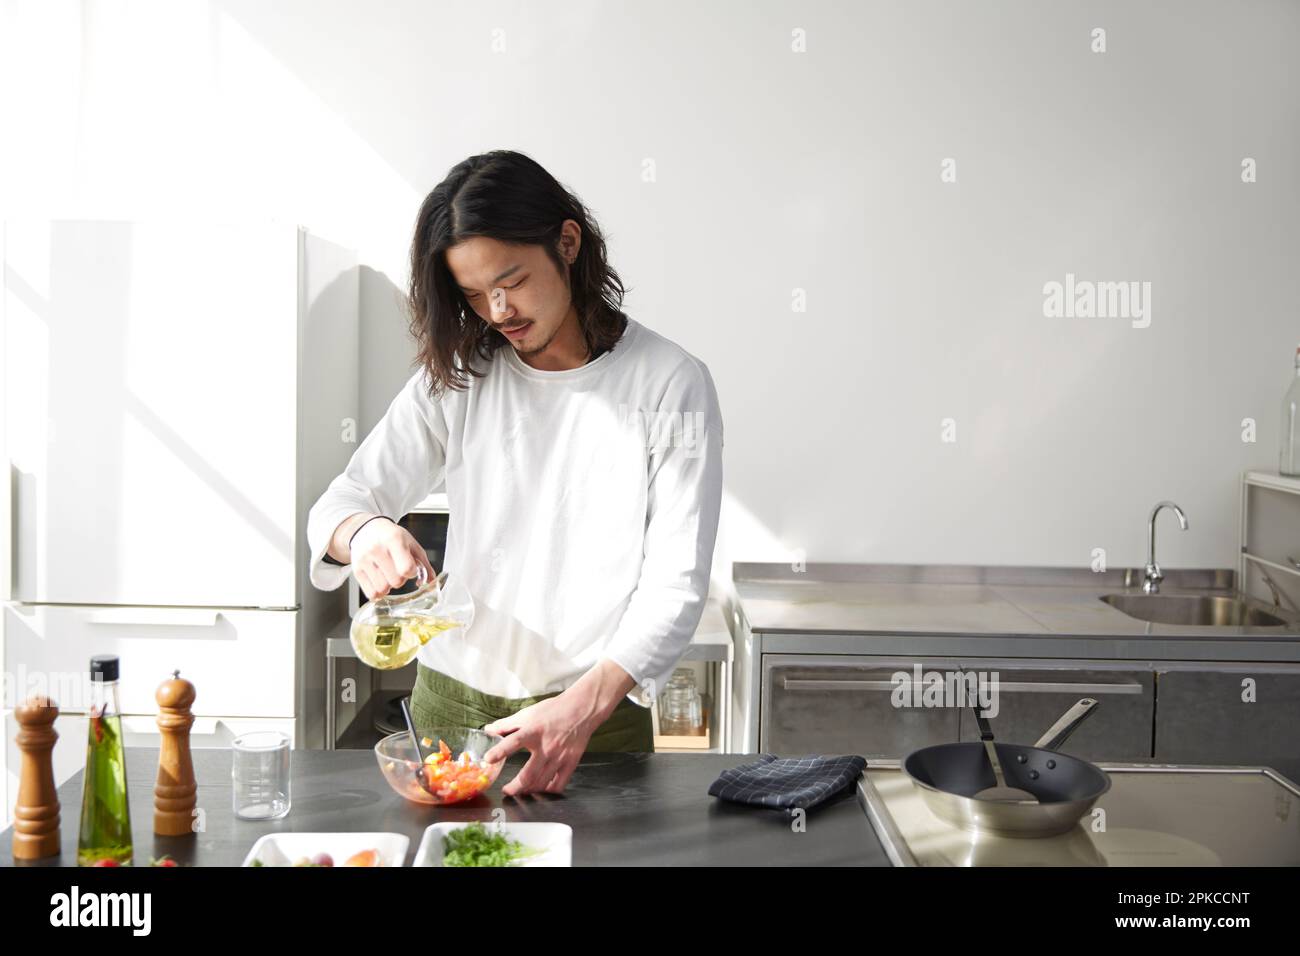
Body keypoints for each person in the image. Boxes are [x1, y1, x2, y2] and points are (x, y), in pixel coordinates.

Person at [306, 149, 724, 797]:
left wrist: (584, 708)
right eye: (473, 294)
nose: (498, 310)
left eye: (513, 280)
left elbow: (674, 584)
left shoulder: (669, 382)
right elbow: (341, 503)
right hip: (447, 712)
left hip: (591, 722)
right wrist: (365, 534)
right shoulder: (462, 375)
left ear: (567, 242)